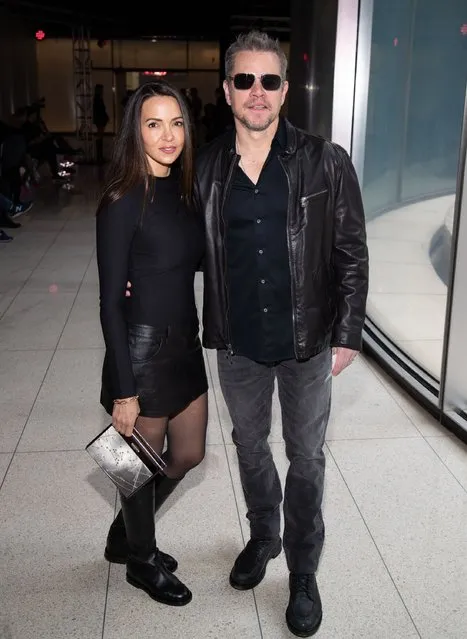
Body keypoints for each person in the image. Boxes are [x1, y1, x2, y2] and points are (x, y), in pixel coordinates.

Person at [195, 30, 369, 637]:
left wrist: (349, 330)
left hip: (307, 343)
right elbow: (187, 244)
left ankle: (301, 570)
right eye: (245, 80)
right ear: (227, 90)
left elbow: (350, 250)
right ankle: (263, 535)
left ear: (285, 90)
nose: (257, 92)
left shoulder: (325, 159)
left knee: (306, 456)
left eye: (269, 80)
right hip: (239, 343)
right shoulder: (210, 165)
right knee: (248, 446)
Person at [96, 80, 208, 607]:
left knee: (187, 455)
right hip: (142, 351)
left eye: (177, 122)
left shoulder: (184, 192)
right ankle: (140, 558)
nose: (169, 136)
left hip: (185, 344)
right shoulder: (121, 200)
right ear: (135, 132)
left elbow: (196, 259)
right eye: (154, 124)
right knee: (136, 466)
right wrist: (124, 389)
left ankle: (126, 534)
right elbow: (109, 303)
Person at [93, 84, 109, 164]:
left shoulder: (98, 99)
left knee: (100, 137)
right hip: (100, 120)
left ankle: (100, 156)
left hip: (100, 120)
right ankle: (99, 156)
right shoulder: (98, 100)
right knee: (100, 137)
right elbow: (99, 111)